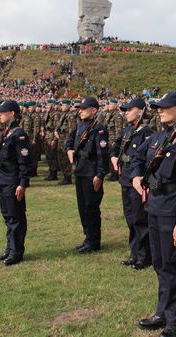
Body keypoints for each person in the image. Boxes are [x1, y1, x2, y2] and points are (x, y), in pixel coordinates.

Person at [131, 91, 176, 337]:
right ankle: (162, 311)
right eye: (158, 107)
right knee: (161, 264)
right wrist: (136, 176)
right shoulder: (157, 137)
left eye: (165, 107)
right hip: (154, 206)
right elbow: (137, 158)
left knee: (174, 267)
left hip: (173, 210)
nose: (159, 111)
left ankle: (174, 322)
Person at [110, 97, 153, 269]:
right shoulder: (127, 130)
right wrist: (114, 158)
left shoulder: (147, 132)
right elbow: (115, 146)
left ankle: (144, 256)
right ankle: (134, 253)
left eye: (129, 109)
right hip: (125, 179)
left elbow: (147, 159)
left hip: (138, 181)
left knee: (140, 219)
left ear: (140, 111)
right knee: (130, 219)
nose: (126, 112)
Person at [65, 97, 110, 253]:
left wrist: (100, 174)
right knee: (82, 208)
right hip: (80, 171)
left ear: (94, 110)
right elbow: (69, 140)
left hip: (91, 173)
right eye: (80, 108)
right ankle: (88, 237)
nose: (81, 111)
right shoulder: (79, 126)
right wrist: (69, 149)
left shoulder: (99, 129)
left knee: (91, 208)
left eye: (84, 108)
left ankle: (94, 241)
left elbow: (102, 155)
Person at [0, 100, 33, 266]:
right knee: (7, 215)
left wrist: (23, 183)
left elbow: (25, 162)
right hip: (1, 179)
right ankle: (9, 248)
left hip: (12, 180)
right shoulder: (6, 132)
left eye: (2, 111)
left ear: (12, 113)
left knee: (16, 217)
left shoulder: (19, 134)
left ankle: (16, 252)